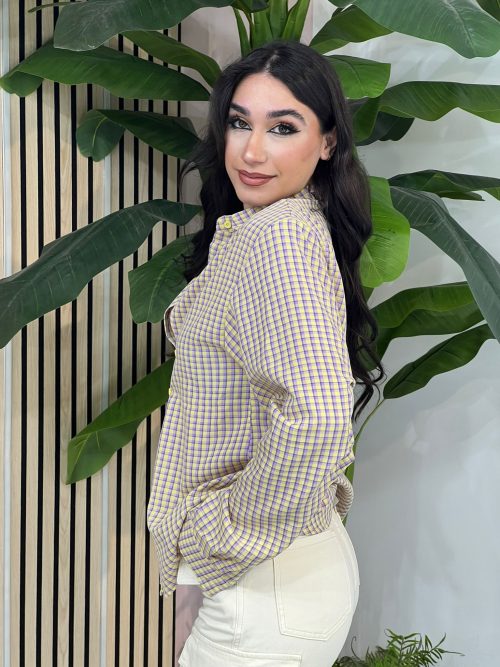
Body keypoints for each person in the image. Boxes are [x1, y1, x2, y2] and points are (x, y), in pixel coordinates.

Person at [147, 39, 385, 667]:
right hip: (279, 578)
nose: (251, 151)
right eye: (238, 123)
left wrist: (220, 536)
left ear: (327, 142)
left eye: (283, 127)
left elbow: (317, 417)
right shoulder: (281, 224)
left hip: (265, 587)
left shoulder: (276, 237)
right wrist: (201, 575)